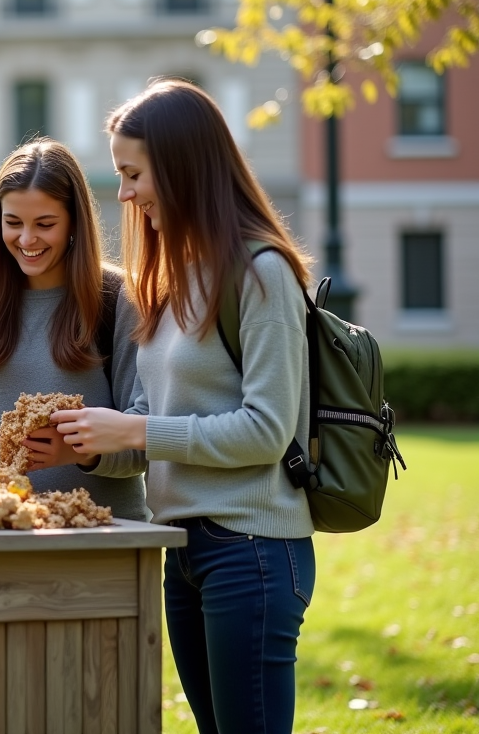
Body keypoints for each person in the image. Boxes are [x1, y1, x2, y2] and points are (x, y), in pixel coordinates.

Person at [52, 79, 316, 733]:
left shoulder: (261, 272)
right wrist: (91, 445)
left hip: (251, 549)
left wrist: (134, 429)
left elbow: (267, 431)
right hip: (184, 548)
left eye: (133, 174)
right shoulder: (171, 276)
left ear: (181, 167)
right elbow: (159, 430)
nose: (124, 194)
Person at [0, 137, 148, 521]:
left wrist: (83, 451)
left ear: (74, 222)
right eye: (13, 223)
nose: (27, 239)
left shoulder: (117, 299)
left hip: (100, 531)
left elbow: (144, 441)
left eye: (45, 224)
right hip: (0, 526)